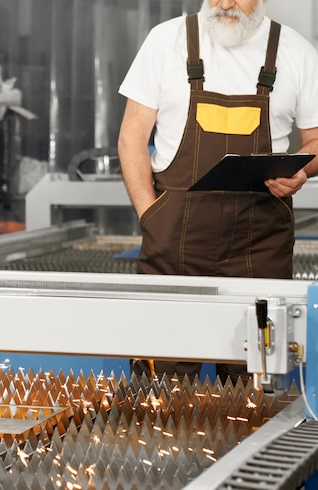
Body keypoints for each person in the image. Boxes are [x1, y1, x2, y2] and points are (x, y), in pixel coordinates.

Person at [117, 0, 318, 382]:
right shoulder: (166, 41)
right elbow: (131, 138)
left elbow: (316, 140)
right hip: (173, 244)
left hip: (260, 251)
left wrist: (302, 169)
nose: (225, 3)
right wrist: (151, 216)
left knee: (254, 389)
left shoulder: (296, 52)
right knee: (161, 389)